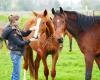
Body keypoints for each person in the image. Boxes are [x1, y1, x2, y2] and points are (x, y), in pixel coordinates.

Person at [2, 14, 36, 80]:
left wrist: (31, 29)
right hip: (16, 54)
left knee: (15, 72)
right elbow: (20, 43)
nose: (19, 22)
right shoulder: (12, 32)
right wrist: (31, 40)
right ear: (14, 22)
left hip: (17, 53)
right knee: (17, 74)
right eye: (18, 21)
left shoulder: (16, 29)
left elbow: (24, 33)